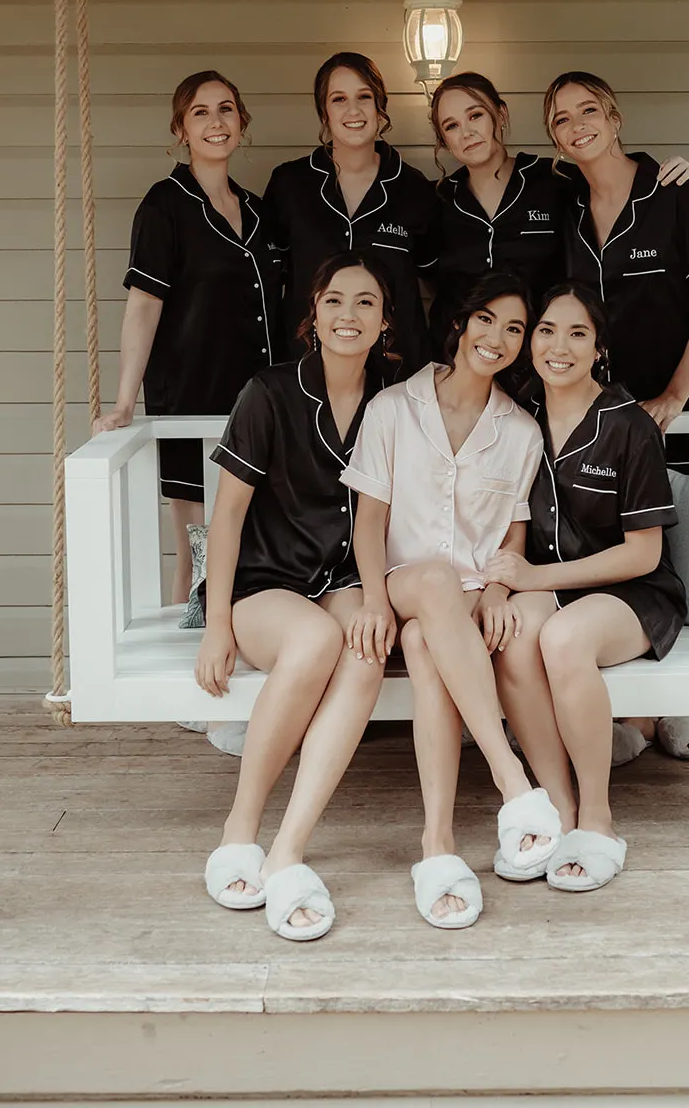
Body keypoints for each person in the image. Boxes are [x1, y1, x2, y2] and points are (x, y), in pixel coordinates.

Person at [341, 273, 556, 931]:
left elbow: (513, 532)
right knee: (428, 589)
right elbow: (367, 522)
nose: (496, 338)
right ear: (460, 323)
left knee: (423, 643)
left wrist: (495, 589)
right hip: (402, 582)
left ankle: (436, 847)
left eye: (514, 329)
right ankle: (509, 779)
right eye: (486, 320)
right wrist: (376, 601)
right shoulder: (392, 409)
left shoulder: (519, 431)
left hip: (459, 606)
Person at [196, 253, 394, 942]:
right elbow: (224, 518)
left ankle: (287, 850)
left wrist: (377, 596)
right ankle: (239, 828)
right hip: (264, 585)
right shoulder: (269, 392)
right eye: (334, 300)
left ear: (384, 321)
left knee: (366, 651)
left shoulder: (394, 399)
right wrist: (217, 624)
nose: (349, 314)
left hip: (345, 580)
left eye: (365, 302)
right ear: (313, 314)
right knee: (314, 641)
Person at [544, 70, 689, 763]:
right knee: (613, 556)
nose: (576, 126)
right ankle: (626, 710)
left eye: (587, 111)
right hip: (605, 421)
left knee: (675, 559)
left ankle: (671, 705)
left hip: (677, 411)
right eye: (560, 119)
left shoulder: (675, 194)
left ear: (614, 116)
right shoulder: (562, 203)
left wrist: (675, 396)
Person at [486, 283, 686, 891]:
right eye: (546, 330)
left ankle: (598, 821)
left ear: (599, 348)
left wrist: (535, 579)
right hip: (549, 587)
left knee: (564, 639)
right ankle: (559, 809)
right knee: (516, 637)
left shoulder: (629, 425)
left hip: (632, 591)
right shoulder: (514, 410)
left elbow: (643, 552)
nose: (559, 346)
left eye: (578, 334)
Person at [94, 71, 280, 603]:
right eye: (200, 112)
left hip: (258, 412)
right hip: (192, 409)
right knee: (200, 556)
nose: (216, 122)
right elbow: (143, 307)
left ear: (241, 121)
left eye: (226, 109)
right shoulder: (165, 205)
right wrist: (125, 400)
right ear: (181, 128)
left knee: (251, 551)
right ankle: (191, 672)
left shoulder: (260, 212)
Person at [427, 71, 689, 362]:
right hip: (461, 362)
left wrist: (668, 173)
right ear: (443, 140)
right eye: (452, 125)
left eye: (476, 115)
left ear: (501, 114)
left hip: (545, 363)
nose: (467, 132)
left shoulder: (557, 180)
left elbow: (615, 179)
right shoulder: (436, 200)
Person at [263, 52, 437, 374]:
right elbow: (269, 283)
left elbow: (440, 282)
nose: (353, 110)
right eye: (339, 99)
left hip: (396, 376)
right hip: (305, 371)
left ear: (380, 106)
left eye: (364, 97)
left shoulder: (414, 189)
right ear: (324, 111)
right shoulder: (290, 185)